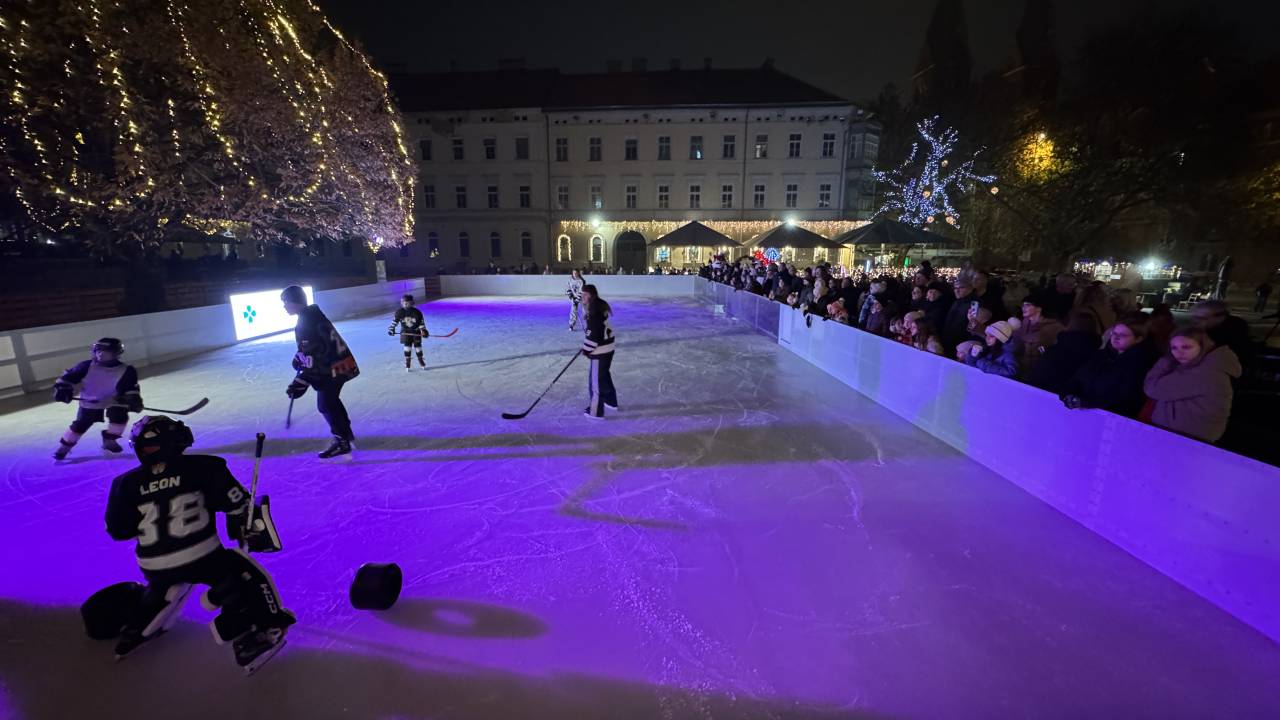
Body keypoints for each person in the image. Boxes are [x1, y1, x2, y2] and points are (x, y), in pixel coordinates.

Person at [105, 416, 293, 672]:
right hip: (203, 558)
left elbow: (118, 530)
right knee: (243, 571)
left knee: (160, 584)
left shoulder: (123, 484)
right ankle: (258, 632)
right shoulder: (205, 466)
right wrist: (246, 520)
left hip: (152, 565)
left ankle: (140, 624)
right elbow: (237, 504)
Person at [282, 285, 359, 458]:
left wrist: (300, 382)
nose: (284, 306)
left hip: (330, 369)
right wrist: (299, 357)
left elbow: (314, 357)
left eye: (285, 302)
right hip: (340, 365)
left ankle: (342, 441)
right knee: (332, 401)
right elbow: (314, 347)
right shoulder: (313, 315)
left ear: (294, 302)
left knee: (325, 405)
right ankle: (345, 433)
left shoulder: (305, 323)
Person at [1143, 327, 1241, 443]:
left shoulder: (1205, 373)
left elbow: (1153, 388)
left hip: (1188, 437)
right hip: (1181, 434)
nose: (1179, 353)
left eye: (1186, 347)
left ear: (1203, 346)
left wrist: (1167, 359)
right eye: (1173, 348)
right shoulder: (1199, 366)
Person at [52, 338, 144, 460]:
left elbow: (130, 387)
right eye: (98, 351)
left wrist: (133, 399)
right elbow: (67, 378)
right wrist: (62, 389)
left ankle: (110, 440)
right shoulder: (86, 366)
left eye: (106, 351)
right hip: (90, 400)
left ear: (116, 353)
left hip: (114, 400)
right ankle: (64, 447)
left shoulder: (126, 370)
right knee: (81, 424)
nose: (100, 354)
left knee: (119, 418)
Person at [1060, 314, 1157, 417]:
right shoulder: (1101, 355)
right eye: (1114, 333)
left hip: (1110, 418)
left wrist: (1087, 402)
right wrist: (1068, 393)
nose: (1116, 337)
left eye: (1123, 335)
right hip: (1082, 412)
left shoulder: (1140, 364)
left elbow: (1124, 397)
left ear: (1138, 339)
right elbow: (1078, 377)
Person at [1028, 310, 1101, 395]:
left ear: (1070, 326)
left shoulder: (1056, 350)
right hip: (1071, 398)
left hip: (1044, 394)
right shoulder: (1097, 356)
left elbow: (1038, 376)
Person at [580, 284, 617, 419]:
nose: (582, 297)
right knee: (604, 376)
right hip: (609, 348)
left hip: (600, 351)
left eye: (585, 295)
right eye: (582, 294)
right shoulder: (599, 306)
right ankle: (611, 401)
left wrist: (586, 349)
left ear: (592, 296)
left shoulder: (594, 313)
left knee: (595, 382)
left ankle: (596, 412)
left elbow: (594, 336)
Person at [1014, 294, 1065, 381]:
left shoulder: (1053, 326)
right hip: (1022, 370)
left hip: (1040, 372)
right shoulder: (1026, 321)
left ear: (1039, 308)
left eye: (1027, 305)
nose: (1023, 308)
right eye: (1023, 305)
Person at [1191, 300, 1253, 370]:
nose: (1195, 321)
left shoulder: (1232, 331)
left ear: (1219, 317)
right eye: (1194, 317)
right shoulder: (1207, 327)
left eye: (1201, 318)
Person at [387, 293, 427, 371]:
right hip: (405, 332)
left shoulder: (417, 312)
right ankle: (407, 361)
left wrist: (423, 330)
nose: (405, 304)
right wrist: (391, 329)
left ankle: (420, 360)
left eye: (407, 303)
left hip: (416, 332)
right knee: (407, 346)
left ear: (411, 303)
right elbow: (395, 321)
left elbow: (421, 323)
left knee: (418, 346)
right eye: (403, 302)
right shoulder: (399, 312)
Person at [943, 276, 976, 354]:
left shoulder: (974, 304)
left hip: (961, 345)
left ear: (970, 288)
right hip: (949, 340)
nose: (957, 291)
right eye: (955, 288)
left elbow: (973, 326)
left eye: (961, 288)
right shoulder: (957, 301)